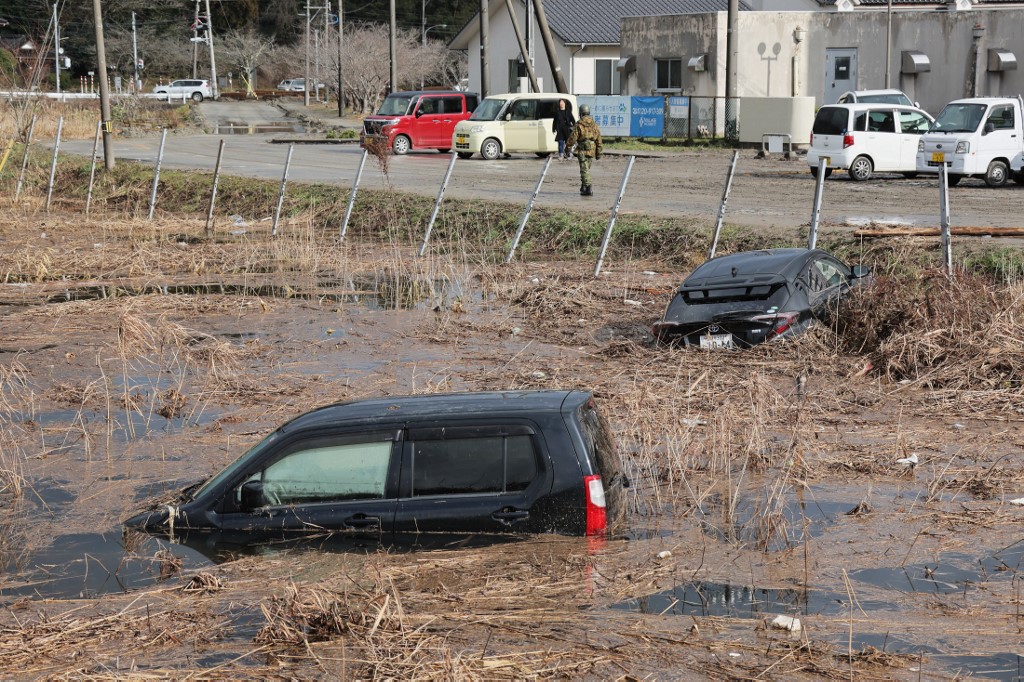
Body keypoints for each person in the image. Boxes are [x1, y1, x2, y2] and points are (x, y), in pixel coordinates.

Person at [566, 104, 603, 196]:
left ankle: (588, 187)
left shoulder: (579, 124)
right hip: (592, 150)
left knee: (584, 170)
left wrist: (567, 148)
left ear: (581, 113)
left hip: (582, 150)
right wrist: (599, 153)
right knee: (585, 169)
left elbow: (572, 138)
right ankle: (584, 186)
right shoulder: (594, 124)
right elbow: (599, 139)